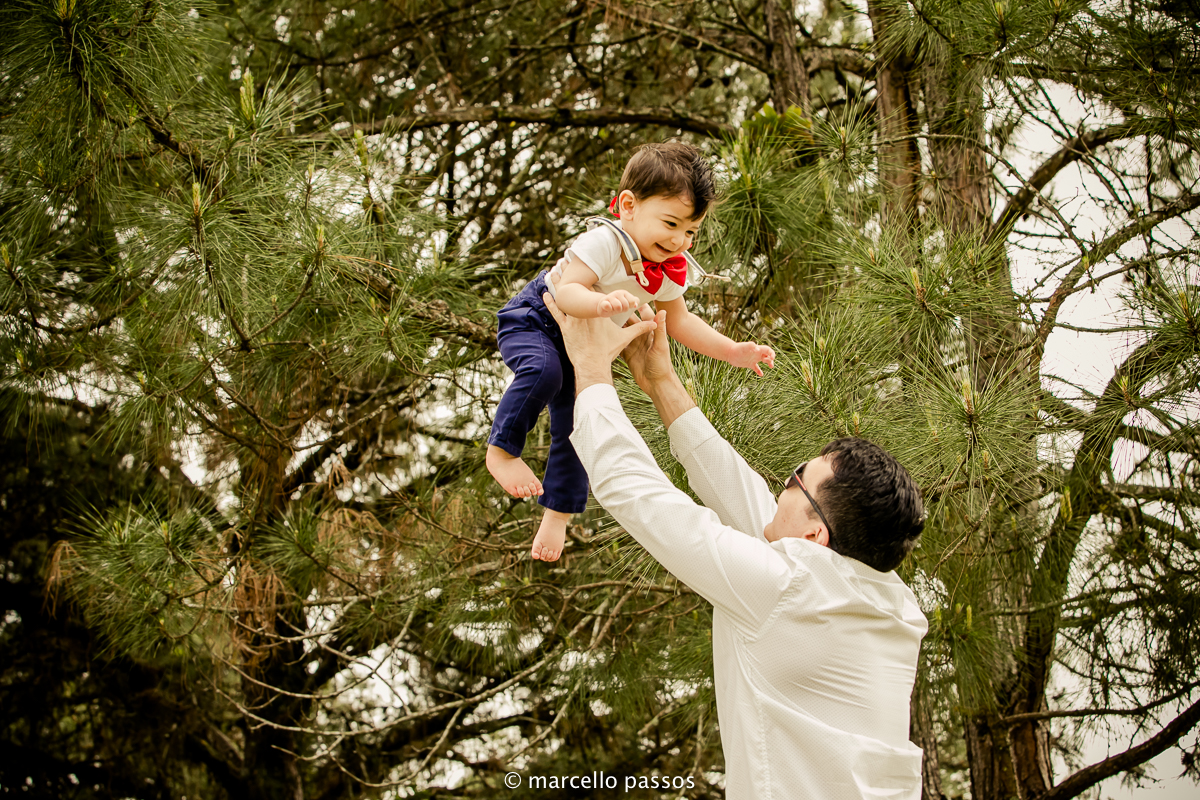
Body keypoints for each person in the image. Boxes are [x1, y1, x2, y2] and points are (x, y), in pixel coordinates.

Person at [540, 283, 929, 800]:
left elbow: (638, 495)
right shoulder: (887, 603)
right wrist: (660, 381)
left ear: (815, 535)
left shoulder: (790, 590)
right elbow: (748, 501)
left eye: (795, 480)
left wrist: (590, 370)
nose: (780, 488)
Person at [486, 142, 775, 562]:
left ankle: (558, 513)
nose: (679, 240)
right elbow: (567, 290)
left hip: (584, 346)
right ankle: (501, 451)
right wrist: (599, 303)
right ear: (628, 206)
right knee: (544, 373)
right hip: (538, 320)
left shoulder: (666, 268)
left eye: (691, 231)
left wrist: (731, 351)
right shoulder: (605, 241)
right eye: (671, 223)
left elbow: (679, 321)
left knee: (581, 424)